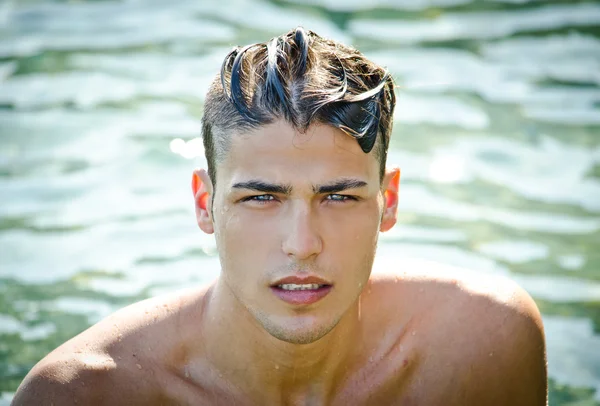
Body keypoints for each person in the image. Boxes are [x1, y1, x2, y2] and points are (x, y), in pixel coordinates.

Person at [12, 27, 547, 405]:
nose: (302, 244)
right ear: (206, 204)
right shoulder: (85, 394)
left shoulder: (481, 345)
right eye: (260, 198)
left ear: (389, 201)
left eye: (339, 197)